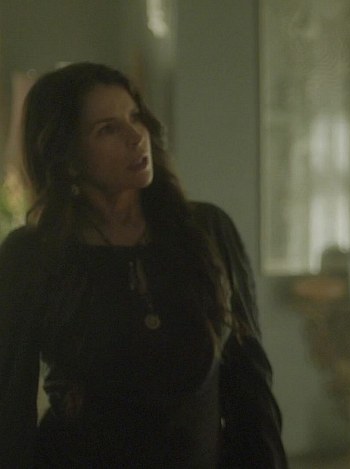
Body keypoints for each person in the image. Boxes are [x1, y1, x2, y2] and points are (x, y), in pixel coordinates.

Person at [0, 62, 288, 468]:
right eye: (107, 129)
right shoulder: (34, 255)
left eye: (135, 117)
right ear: (67, 155)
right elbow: (9, 406)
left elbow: (250, 385)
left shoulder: (207, 232)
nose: (136, 136)